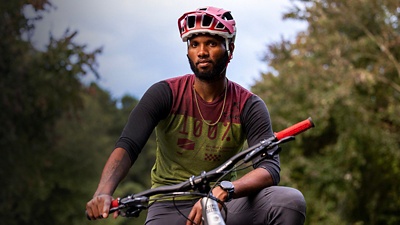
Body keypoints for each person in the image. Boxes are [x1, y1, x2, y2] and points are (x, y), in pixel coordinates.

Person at [86, 6, 306, 225]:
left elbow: (269, 169)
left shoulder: (249, 105)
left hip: (223, 203)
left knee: (288, 202)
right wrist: (103, 193)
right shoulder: (164, 94)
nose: (202, 52)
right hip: (169, 204)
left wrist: (225, 189)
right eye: (194, 44)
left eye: (211, 43)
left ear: (230, 49)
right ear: (188, 51)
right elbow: (128, 145)